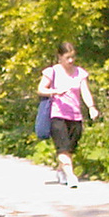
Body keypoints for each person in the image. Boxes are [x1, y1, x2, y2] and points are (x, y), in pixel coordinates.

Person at [37, 42, 99, 188]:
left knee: (70, 148)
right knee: (62, 146)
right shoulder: (52, 72)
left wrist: (91, 107)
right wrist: (55, 91)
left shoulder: (80, 73)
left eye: (72, 57)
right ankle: (71, 176)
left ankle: (61, 170)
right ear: (60, 57)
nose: (70, 61)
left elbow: (85, 91)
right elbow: (40, 89)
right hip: (57, 114)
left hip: (75, 115)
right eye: (67, 58)